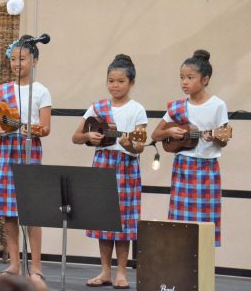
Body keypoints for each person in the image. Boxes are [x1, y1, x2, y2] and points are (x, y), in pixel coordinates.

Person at [72, 54, 147, 289]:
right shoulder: (97, 107)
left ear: (131, 83)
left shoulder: (137, 110)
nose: (115, 85)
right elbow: (75, 137)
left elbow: (140, 145)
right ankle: (105, 271)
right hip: (102, 164)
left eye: (120, 81)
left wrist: (129, 145)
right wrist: (88, 136)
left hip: (126, 167)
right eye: (111, 81)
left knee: (123, 223)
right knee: (104, 220)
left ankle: (122, 272)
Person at [0, 35, 51, 279]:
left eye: (21, 59)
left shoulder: (41, 91)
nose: (16, 63)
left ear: (35, 61)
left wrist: (26, 128)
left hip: (29, 151)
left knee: (32, 210)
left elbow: (45, 127)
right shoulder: (3, 91)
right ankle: (14, 263)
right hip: (5, 152)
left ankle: (37, 266)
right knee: (9, 212)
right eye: (12, 59)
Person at [151, 49, 228, 247]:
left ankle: (202, 272)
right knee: (180, 222)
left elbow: (224, 138)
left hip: (207, 168)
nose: (184, 82)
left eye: (190, 77)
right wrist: (170, 133)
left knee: (205, 222)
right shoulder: (177, 107)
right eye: (182, 77)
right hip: (183, 166)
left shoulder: (217, 105)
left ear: (205, 80)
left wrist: (214, 137)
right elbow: (155, 135)